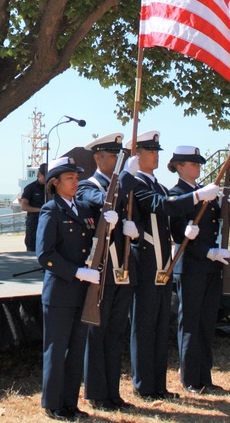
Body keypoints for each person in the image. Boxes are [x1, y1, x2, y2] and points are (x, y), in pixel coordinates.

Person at [117, 130, 219, 400]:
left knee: (161, 326)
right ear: (136, 156)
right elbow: (161, 206)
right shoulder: (138, 184)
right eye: (150, 151)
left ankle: (158, 385)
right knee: (144, 325)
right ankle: (143, 385)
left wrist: (184, 234)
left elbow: (169, 217)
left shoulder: (158, 184)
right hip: (146, 263)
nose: (156, 155)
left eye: (156, 150)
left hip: (164, 264)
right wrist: (197, 197)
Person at [37, 156, 117, 421]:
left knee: (76, 349)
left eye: (77, 177)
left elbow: (98, 234)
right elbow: (45, 254)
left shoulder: (83, 208)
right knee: (57, 349)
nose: (75, 182)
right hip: (60, 292)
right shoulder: (51, 210)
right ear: (55, 182)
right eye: (69, 178)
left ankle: (70, 402)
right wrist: (76, 271)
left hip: (83, 292)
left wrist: (111, 221)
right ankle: (53, 404)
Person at [77, 132, 135, 412]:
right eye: (113, 156)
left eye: (118, 156)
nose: (116, 160)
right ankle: (96, 392)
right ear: (98, 158)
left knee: (114, 332)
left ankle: (112, 391)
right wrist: (125, 177)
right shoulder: (87, 186)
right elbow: (104, 200)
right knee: (97, 333)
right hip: (100, 269)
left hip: (121, 268)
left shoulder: (122, 185)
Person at [168, 145, 230, 395]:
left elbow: (213, 224)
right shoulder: (177, 193)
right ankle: (190, 378)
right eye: (192, 164)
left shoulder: (203, 192)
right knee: (191, 324)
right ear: (179, 167)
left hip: (210, 266)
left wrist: (225, 204)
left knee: (206, 323)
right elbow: (178, 233)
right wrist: (207, 251)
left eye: (198, 164)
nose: (197, 167)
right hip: (191, 266)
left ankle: (205, 375)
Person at [19, 163, 46, 252]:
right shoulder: (30, 188)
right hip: (34, 222)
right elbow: (24, 206)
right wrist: (40, 210)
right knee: (32, 247)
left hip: (49, 223)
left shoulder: (52, 188)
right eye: (45, 177)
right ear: (40, 175)